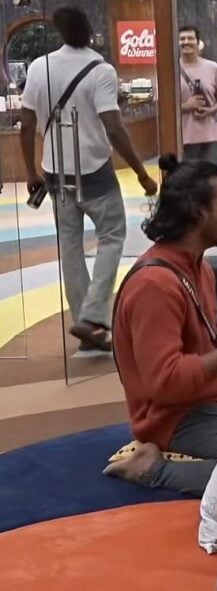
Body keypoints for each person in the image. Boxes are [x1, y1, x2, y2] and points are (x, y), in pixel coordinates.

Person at [103, 155, 217, 496]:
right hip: (174, 417)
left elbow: (208, 344)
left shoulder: (199, 268)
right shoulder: (154, 285)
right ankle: (151, 469)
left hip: (211, 399)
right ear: (198, 211)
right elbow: (166, 385)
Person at [19, 6, 159, 353]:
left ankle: (86, 323)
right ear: (90, 32)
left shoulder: (39, 68)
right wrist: (141, 173)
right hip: (95, 170)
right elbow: (114, 128)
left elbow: (27, 124)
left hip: (55, 170)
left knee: (69, 246)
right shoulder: (101, 70)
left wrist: (31, 171)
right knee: (112, 236)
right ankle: (94, 316)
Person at [179, 26, 217, 167]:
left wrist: (211, 110)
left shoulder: (213, 68)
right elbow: (163, 105)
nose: (186, 42)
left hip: (213, 136)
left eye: (190, 38)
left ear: (198, 42)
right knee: (190, 178)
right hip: (184, 138)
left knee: (213, 176)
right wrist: (186, 106)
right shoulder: (171, 70)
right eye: (182, 39)